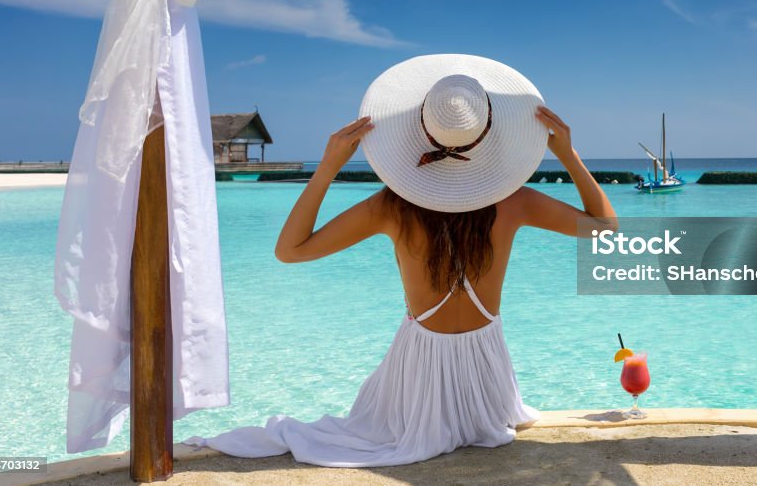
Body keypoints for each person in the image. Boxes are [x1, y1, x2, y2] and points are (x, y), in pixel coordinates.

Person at [183, 54, 617, 467]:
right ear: (488, 135)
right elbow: (606, 227)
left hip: (419, 375)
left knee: (361, 433)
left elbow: (290, 251)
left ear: (422, 132)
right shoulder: (515, 201)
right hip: (489, 379)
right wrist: (568, 155)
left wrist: (328, 168)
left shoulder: (393, 206)